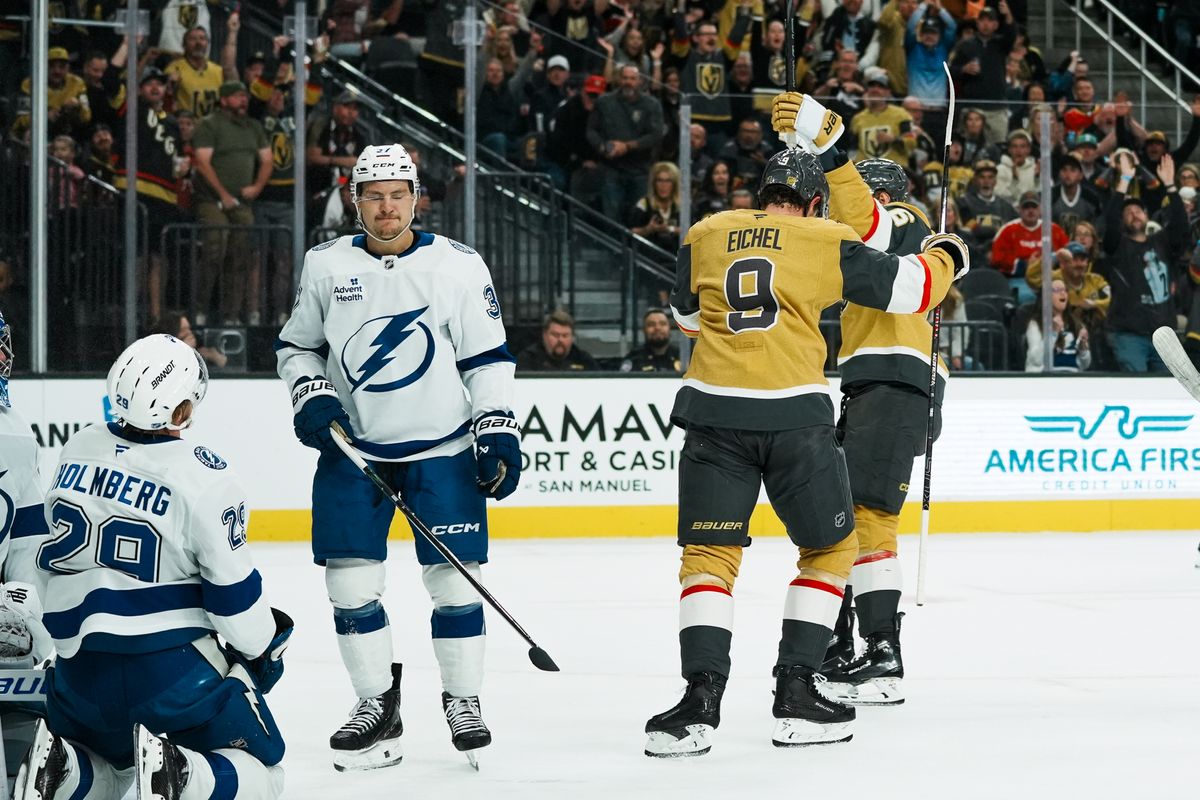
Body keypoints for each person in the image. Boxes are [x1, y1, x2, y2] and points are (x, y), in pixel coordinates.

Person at [644, 105, 966, 757]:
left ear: (762, 193)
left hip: (712, 413)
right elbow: (910, 290)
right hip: (794, 417)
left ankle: (698, 704)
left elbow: (683, 321)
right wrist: (950, 258)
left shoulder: (706, 232)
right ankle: (795, 691)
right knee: (830, 550)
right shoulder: (823, 240)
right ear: (817, 202)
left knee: (708, 561)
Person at [275, 144, 522, 769]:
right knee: (351, 586)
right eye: (373, 194)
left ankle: (463, 700)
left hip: (443, 452)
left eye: (398, 194)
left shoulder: (459, 266)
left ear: (417, 198)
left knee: (456, 585)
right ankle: (376, 704)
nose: (387, 206)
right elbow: (297, 347)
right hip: (353, 453)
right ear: (353, 199)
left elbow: (487, 359)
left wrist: (496, 428)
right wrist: (312, 393)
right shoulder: (324, 265)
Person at [13, 334, 291, 800]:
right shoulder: (205, 475)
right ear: (182, 408)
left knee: (114, 765)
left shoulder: (78, 447)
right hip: (171, 673)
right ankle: (182, 775)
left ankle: (67, 770)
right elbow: (236, 610)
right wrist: (267, 646)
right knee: (265, 771)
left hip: (79, 673)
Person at [796, 145, 941, 705]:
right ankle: (848, 644)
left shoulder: (907, 219)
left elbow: (875, 229)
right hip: (878, 384)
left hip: (892, 381)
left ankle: (883, 655)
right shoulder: (874, 246)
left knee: (870, 519)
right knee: (845, 518)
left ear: (879, 195)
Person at [1103, 152, 1187, 372]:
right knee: (1135, 389)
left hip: (1165, 335)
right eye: (1128, 212)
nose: (1134, 214)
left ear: (1147, 215)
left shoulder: (1162, 242)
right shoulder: (1117, 247)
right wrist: (1125, 180)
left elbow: (1181, 227)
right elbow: (1109, 223)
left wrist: (1170, 185)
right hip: (1129, 334)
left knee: (1168, 393)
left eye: (1138, 210)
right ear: (1122, 221)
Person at [1024, 280, 1092, 372]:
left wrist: (1083, 347)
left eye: (1065, 290)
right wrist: (1053, 333)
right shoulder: (1036, 324)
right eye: (1057, 290)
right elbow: (1036, 360)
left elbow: (1085, 365)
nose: (1063, 293)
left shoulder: (1076, 324)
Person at [516, 309, 599, 372]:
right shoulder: (528, 359)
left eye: (565, 335)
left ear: (572, 337)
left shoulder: (583, 359)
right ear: (544, 335)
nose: (560, 340)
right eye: (555, 335)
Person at [620, 309, 680, 373]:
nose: (657, 328)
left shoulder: (681, 357)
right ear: (644, 330)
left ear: (669, 328)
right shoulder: (634, 359)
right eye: (651, 324)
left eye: (662, 324)